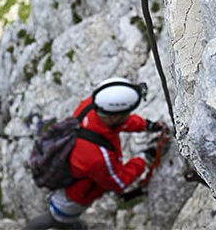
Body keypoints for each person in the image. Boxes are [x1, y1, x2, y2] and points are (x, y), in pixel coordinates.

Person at [24, 77, 165, 230]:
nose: (128, 115)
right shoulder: (97, 157)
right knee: (59, 219)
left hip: (69, 175)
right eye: (127, 113)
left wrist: (147, 126)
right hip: (74, 197)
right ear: (115, 116)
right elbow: (118, 182)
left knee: (61, 219)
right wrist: (145, 157)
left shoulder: (92, 106)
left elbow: (121, 122)